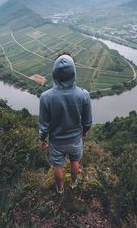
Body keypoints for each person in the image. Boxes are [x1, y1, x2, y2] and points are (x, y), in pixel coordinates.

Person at [39, 53, 92, 195]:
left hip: (56, 141)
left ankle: (60, 189)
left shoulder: (46, 97)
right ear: (73, 72)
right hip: (75, 139)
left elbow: (44, 125)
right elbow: (87, 121)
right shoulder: (83, 95)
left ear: (54, 73)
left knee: (58, 166)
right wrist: (85, 131)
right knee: (75, 161)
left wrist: (42, 139)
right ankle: (74, 183)